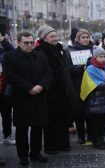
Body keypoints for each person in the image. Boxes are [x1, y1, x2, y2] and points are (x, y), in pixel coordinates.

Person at [4, 31, 52, 165]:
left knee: (38, 126)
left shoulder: (40, 56)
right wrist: (29, 88)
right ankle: (23, 155)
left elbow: (48, 73)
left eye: (31, 42)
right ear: (19, 43)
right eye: (26, 43)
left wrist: (41, 86)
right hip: (21, 97)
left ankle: (36, 152)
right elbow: (11, 76)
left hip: (39, 96)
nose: (30, 45)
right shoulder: (10, 57)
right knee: (22, 128)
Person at [35, 25, 77, 154]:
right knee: (51, 121)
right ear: (44, 38)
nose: (55, 38)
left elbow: (66, 69)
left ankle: (63, 143)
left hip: (63, 90)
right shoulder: (41, 51)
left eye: (55, 36)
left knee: (63, 120)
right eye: (52, 36)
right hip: (51, 92)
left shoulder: (60, 49)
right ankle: (51, 146)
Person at [81, 47, 105, 150]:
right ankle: (96, 141)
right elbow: (91, 85)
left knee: (103, 123)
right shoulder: (90, 69)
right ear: (95, 57)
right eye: (100, 56)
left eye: (104, 56)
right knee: (96, 123)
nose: (103, 58)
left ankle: (102, 140)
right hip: (95, 101)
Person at [68, 29, 94, 145]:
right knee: (79, 112)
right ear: (77, 39)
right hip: (77, 85)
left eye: (87, 37)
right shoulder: (71, 51)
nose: (85, 39)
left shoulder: (94, 50)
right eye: (83, 37)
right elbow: (68, 69)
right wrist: (80, 68)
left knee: (90, 112)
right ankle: (81, 135)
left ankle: (91, 135)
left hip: (91, 84)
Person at [0, 33, 15, 145]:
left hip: (5, 88)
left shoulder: (6, 54)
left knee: (6, 113)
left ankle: (7, 135)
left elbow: (12, 51)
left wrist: (2, 39)